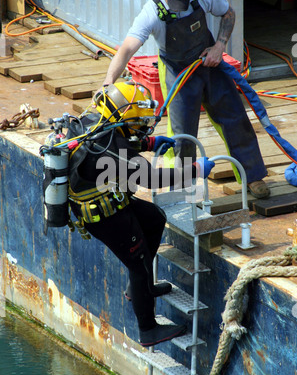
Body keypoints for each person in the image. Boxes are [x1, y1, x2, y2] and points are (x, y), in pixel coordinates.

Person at [96, 0, 270, 199]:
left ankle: (252, 176)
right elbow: (127, 49)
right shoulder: (152, 12)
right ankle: (183, 187)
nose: (182, 6)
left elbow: (228, 13)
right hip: (178, 71)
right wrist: (108, 82)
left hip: (209, 62)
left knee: (235, 116)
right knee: (183, 134)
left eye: (185, 0)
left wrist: (219, 46)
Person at [66, 81, 215, 347]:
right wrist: (195, 170)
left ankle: (140, 289)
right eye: (138, 122)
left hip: (108, 201)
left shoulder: (95, 119)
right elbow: (150, 178)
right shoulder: (110, 149)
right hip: (105, 216)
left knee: (154, 219)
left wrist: (150, 142)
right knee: (140, 265)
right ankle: (147, 329)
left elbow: (124, 135)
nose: (142, 127)